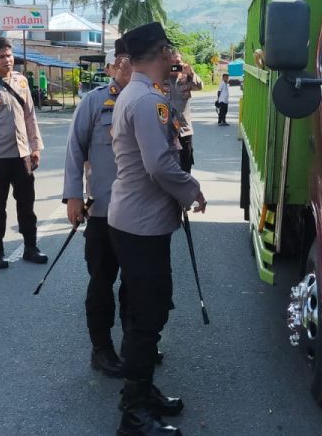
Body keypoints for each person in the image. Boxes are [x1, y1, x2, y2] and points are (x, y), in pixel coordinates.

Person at [109, 22, 207, 436]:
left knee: (142, 312)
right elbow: (160, 165)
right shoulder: (148, 101)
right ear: (162, 51)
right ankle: (133, 413)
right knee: (148, 315)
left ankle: (142, 391)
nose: (174, 58)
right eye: (170, 50)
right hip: (141, 224)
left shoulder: (143, 96)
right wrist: (192, 190)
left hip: (136, 221)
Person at [63, 39, 132, 378]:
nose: (127, 66)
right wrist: (73, 195)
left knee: (137, 283)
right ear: (108, 69)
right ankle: (101, 349)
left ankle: (137, 344)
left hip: (138, 213)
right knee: (102, 282)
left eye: (132, 60)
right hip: (103, 211)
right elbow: (75, 149)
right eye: (120, 61)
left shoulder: (152, 101)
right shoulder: (93, 102)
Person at [0, 37, 46, 269]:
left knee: (27, 204)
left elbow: (30, 117)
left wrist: (35, 147)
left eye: (10, 55)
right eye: (2, 56)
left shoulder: (22, 82)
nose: (8, 60)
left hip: (22, 155)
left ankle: (30, 247)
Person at [166, 54, 202, 173]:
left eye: (178, 62)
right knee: (169, 170)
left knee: (186, 169)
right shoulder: (160, 79)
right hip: (166, 133)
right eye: (172, 62)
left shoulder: (186, 78)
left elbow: (199, 86)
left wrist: (191, 73)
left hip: (184, 131)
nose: (175, 65)